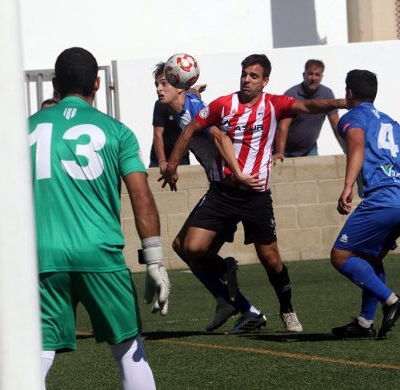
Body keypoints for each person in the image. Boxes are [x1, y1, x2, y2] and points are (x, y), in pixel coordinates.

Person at [162, 54, 347, 333]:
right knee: (191, 247)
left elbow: (308, 105)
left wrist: (342, 103)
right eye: (244, 74)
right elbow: (190, 129)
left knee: (271, 260)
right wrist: (172, 165)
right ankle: (226, 273)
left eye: (254, 76)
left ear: (265, 81)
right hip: (222, 193)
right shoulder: (223, 104)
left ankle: (287, 310)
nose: (247, 80)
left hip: (256, 196)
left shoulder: (274, 104)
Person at [29, 47, 170, 389]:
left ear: (54, 84)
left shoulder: (25, 130)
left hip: (43, 258)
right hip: (100, 256)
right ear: (96, 82)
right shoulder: (116, 131)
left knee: (36, 354)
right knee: (128, 349)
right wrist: (154, 259)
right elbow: (142, 197)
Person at [153, 61, 266, 334]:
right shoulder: (173, 105)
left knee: (194, 249)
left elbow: (219, 136)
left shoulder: (192, 108)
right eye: (157, 84)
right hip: (218, 187)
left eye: (164, 83)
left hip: (229, 188)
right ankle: (232, 303)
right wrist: (166, 164)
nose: (158, 89)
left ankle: (231, 281)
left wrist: (237, 173)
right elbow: (161, 131)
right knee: (181, 246)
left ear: (180, 86)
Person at [330, 70, 400, 340]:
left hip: (381, 200)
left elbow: (356, 146)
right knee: (370, 258)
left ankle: (392, 301)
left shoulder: (352, 118)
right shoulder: (395, 124)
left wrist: (347, 186)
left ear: (349, 93)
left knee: (340, 256)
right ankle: (364, 322)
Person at [275, 59, 344, 159]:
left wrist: (346, 149)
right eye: (310, 74)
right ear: (304, 75)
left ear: (321, 77)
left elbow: (335, 124)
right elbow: (283, 126)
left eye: (317, 75)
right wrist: (279, 152)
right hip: (284, 150)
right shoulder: (291, 95)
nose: (313, 78)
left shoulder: (327, 94)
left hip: (309, 149)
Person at [149, 100, 191, 172]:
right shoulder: (160, 104)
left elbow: (189, 135)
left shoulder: (189, 104)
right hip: (159, 158)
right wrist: (162, 161)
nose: (159, 89)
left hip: (181, 157)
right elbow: (157, 134)